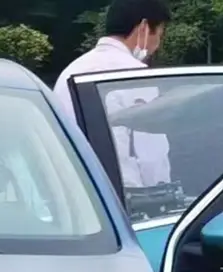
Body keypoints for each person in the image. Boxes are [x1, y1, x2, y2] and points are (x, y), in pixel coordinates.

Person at [53, 0, 172, 189]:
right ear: (144, 27)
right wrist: (162, 190)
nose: (157, 46)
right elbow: (150, 155)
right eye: (159, 34)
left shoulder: (70, 72)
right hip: (125, 194)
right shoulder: (136, 76)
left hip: (73, 190)